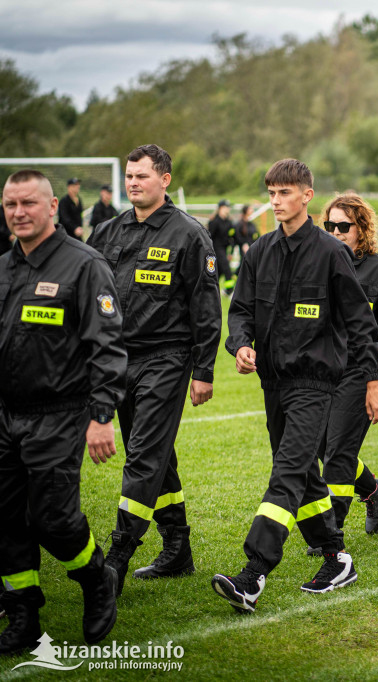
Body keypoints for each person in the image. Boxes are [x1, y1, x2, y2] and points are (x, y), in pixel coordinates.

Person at [216, 159, 378, 611]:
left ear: (306, 196)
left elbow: (362, 324)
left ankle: (252, 575)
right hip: (272, 383)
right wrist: (241, 344)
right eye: (271, 193)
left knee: (287, 473)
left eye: (284, 192)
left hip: (315, 384)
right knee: (305, 478)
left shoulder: (332, 253)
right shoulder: (260, 250)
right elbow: (240, 310)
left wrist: (373, 381)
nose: (276, 201)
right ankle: (337, 558)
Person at [0, 170, 126, 653]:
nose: (19, 213)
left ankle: (97, 581)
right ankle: (23, 615)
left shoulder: (84, 265)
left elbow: (108, 347)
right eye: (10, 204)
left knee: (54, 518)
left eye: (28, 203)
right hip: (5, 415)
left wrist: (101, 415)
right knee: (6, 518)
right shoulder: (3, 268)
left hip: (59, 413)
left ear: (53, 207)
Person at [86, 145, 222, 596]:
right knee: (155, 456)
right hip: (118, 358)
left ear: (165, 180)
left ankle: (118, 556)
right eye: (128, 176)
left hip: (166, 358)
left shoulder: (188, 234)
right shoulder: (107, 231)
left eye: (141, 176)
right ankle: (177, 548)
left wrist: (203, 369)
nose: (132, 183)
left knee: (143, 453)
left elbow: (206, 308)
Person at [315, 192, 378, 550]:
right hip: (321, 372)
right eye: (330, 226)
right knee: (323, 446)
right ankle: (374, 489)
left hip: (360, 371)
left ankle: (330, 531)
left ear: (362, 229)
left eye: (344, 226)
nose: (336, 232)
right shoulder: (318, 263)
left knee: (338, 452)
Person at [207, 199, 236, 293]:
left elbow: (232, 237)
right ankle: (229, 291)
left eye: (228, 207)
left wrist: (230, 252)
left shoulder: (229, 222)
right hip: (216, 249)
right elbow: (209, 237)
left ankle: (212, 290)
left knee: (218, 272)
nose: (227, 209)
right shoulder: (214, 221)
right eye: (225, 207)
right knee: (227, 269)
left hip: (224, 249)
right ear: (220, 208)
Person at [233, 204, 258, 275]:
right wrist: (243, 244)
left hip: (252, 247)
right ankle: (235, 276)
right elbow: (237, 236)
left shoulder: (251, 224)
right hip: (244, 248)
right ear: (246, 211)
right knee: (244, 263)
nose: (252, 210)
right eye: (250, 209)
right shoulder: (239, 224)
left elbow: (256, 235)